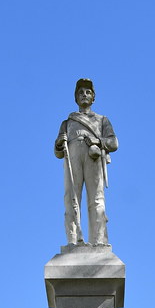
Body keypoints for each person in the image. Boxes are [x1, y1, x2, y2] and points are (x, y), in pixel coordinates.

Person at [55, 79, 118, 246]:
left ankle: (99, 240)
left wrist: (98, 142)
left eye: (88, 92)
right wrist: (59, 143)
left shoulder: (102, 120)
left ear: (93, 97)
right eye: (81, 92)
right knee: (71, 198)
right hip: (73, 157)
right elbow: (58, 152)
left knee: (97, 199)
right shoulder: (67, 122)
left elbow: (114, 143)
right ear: (76, 98)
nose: (84, 95)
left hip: (93, 157)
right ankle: (73, 241)